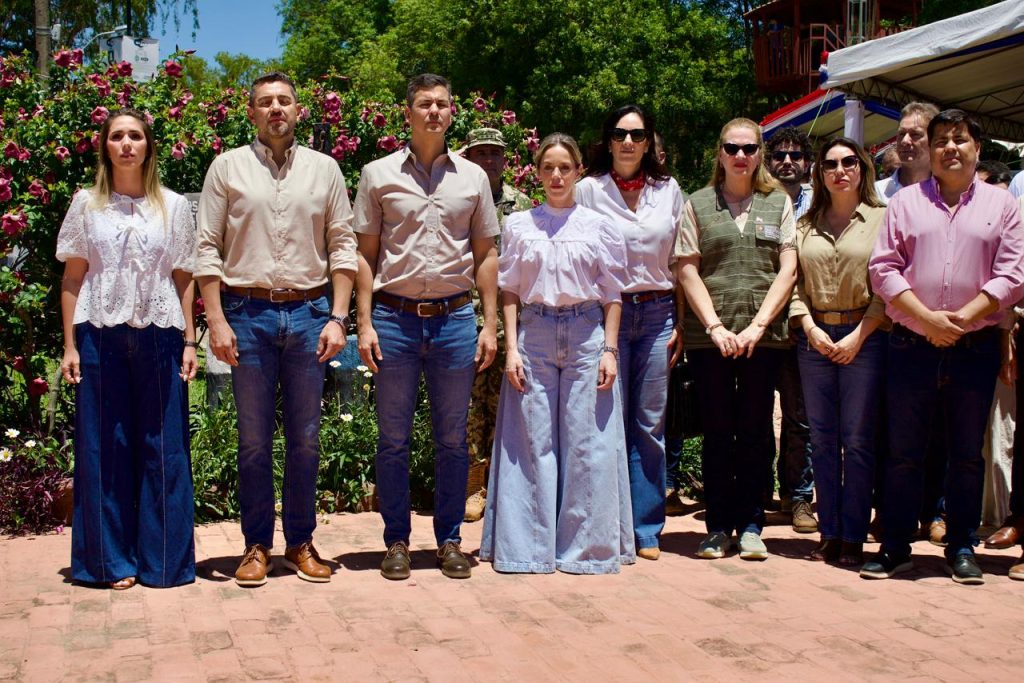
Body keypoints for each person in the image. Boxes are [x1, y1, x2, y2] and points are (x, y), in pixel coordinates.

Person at [196, 72, 357, 587]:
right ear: (251, 113)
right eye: (265, 102)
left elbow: (342, 246)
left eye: (284, 100)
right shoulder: (227, 168)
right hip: (248, 315)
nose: (275, 109)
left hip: (311, 315)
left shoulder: (325, 169)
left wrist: (338, 316)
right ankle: (256, 545)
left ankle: (302, 542)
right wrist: (216, 320)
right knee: (253, 441)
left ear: (298, 109)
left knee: (306, 438)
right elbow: (206, 249)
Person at [863, 109, 1024, 584]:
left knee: (966, 453)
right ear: (930, 152)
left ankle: (961, 548)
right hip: (914, 342)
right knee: (903, 451)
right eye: (941, 141)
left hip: (973, 347)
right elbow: (884, 269)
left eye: (960, 140)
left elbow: (1013, 274)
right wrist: (928, 319)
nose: (950, 148)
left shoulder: (1002, 206)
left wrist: (963, 320)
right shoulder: (905, 203)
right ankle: (895, 548)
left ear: (977, 148)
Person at [354, 74, 500, 581]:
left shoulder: (473, 179)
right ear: (408, 112)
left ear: (452, 111)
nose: (433, 112)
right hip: (394, 320)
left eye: (441, 104)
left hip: (456, 321)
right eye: (424, 104)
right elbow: (365, 255)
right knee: (392, 438)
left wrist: (490, 324)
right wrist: (364, 322)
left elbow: (485, 254)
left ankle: (449, 540)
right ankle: (396, 540)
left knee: (453, 439)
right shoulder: (377, 175)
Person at [479, 132, 634, 574]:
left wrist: (609, 349)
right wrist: (512, 347)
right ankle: (528, 550)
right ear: (537, 172)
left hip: (587, 334)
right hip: (536, 333)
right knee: (531, 441)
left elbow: (612, 293)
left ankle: (586, 551)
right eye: (548, 167)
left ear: (578, 171)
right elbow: (509, 289)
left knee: (590, 443)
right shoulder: (519, 225)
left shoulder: (600, 225)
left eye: (565, 167)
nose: (556, 175)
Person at [58, 108, 197, 589]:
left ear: (147, 146)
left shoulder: (175, 206)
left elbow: (184, 275)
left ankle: (163, 563)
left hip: (161, 333)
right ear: (106, 147)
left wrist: (189, 340)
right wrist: (70, 345)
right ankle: (108, 563)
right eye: (117, 136)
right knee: (103, 450)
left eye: (135, 136)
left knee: (166, 449)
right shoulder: (85, 205)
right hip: (99, 334)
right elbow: (73, 277)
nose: (126, 144)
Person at [675, 117, 798, 561]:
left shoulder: (778, 202)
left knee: (755, 433)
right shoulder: (697, 203)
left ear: (760, 153)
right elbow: (687, 267)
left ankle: (750, 525)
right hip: (712, 340)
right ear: (719, 153)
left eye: (749, 148)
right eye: (732, 147)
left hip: (762, 339)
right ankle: (717, 527)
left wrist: (758, 326)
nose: (740, 156)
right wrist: (715, 327)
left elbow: (788, 269)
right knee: (717, 432)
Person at [574, 105, 683, 560]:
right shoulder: (587, 190)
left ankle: (646, 526)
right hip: (606, 318)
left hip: (658, 314)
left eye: (637, 135)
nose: (628, 143)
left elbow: (679, 261)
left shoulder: (668, 189)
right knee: (605, 421)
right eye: (619, 134)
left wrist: (681, 321)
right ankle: (608, 521)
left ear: (648, 141)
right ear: (607, 140)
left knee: (649, 424)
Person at [790, 137, 887, 566]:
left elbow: (889, 286)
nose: (840, 170)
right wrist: (809, 327)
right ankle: (829, 531)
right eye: (830, 164)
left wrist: (859, 335)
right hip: (814, 339)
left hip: (864, 337)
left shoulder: (883, 219)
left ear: (863, 168)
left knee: (859, 439)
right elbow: (793, 285)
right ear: (820, 173)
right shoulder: (804, 223)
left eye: (849, 162)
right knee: (823, 439)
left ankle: (854, 533)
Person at [462, 127, 533, 523]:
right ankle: (475, 485)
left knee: (512, 404)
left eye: (495, 153)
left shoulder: (522, 206)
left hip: (515, 323)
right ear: (469, 157)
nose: (489, 160)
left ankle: (506, 484)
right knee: (473, 405)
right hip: (466, 319)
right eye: (481, 152)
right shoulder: (460, 200)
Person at [765, 127, 816, 534]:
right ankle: (758, 491)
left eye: (795, 155)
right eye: (779, 155)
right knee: (755, 415)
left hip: (803, 328)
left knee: (799, 420)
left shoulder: (822, 203)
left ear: (807, 163)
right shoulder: (756, 200)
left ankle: (798, 498)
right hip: (760, 329)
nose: (787, 161)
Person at [874, 102, 939, 204]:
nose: (905, 140)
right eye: (902, 133)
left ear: (934, 141)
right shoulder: (877, 193)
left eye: (915, 134)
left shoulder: (948, 193)